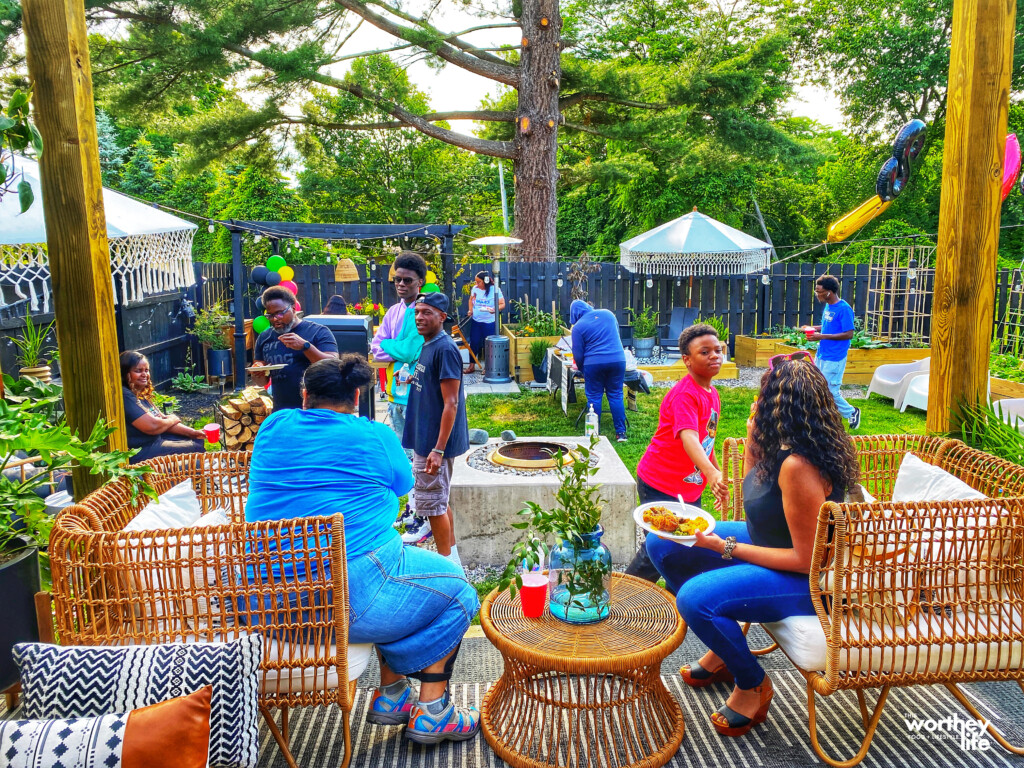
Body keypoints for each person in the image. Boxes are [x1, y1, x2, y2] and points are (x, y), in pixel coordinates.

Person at [245, 355, 481, 744]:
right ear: (357, 396)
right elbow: (405, 486)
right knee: (458, 592)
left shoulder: (273, 425)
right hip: (341, 598)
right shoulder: (376, 435)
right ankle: (434, 712)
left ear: (305, 395)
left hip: (262, 601)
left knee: (409, 582)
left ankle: (393, 695)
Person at [647, 354, 859, 738]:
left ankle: (753, 682)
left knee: (696, 600)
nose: (756, 403)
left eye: (764, 398)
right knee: (663, 545)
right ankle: (726, 651)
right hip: (771, 544)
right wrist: (752, 446)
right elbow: (756, 511)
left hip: (810, 579)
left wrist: (725, 548)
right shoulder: (780, 445)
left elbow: (804, 559)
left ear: (782, 408)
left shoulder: (800, 464)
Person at [625, 324, 729, 582]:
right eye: (704, 352)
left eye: (718, 350)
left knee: (688, 543)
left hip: (688, 488)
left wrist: (715, 475)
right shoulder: (685, 394)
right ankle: (625, 596)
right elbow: (689, 437)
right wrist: (710, 472)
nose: (714, 355)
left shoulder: (711, 392)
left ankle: (677, 603)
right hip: (660, 482)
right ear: (687, 360)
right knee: (657, 548)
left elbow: (706, 440)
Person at [403, 292, 470, 569]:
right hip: (427, 438)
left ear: (442, 317)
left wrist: (438, 449)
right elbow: (433, 383)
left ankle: (448, 570)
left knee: (432, 506)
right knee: (438, 502)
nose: (420, 317)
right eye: (417, 312)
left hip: (433, 443)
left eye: (427, 312)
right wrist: (412, 376)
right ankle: (452, 560)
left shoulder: (444, 348)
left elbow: (451, 402)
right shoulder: (428, 344)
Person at [372, 251, 428, 543]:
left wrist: (393, 346)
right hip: (395, 393)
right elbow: (376, 347)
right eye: (397, 280)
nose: (401, 285)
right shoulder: (393, 312)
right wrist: (395, 345)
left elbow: (410, 351)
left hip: (416, 393)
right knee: (406, 456)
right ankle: (412, 507)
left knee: (420, 455)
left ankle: (423, 515)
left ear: (421, 282)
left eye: (408, 280)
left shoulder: (422, 310)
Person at [251, 286, 338, 410]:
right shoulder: (264, 338)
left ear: (293, 308)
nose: (275, 319)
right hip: (283, 411)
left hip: (317, 410)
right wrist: (257, 373)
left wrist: (305, 346)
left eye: (280, 313)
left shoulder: (318, 331)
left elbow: (334, 366)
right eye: (270, 315)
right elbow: (262, 382)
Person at [120, 350, 205, 464]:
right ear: (126, 373)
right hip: (142, 451)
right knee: (196, 449)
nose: (144, 374)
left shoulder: (140, 393)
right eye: (138, 371)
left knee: (197, 440)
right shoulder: (125, 395)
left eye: (146, 370)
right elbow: (153, 426)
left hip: (157, 440)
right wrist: (172, 418)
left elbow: (163, 422)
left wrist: (193, 432)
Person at [569, 300, 628, 442]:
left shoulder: (578, 327)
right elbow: (616, 337)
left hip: (593, 363)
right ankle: (621, 433)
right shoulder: (609, 314)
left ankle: (594, 433)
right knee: (616, 394)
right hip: (617, 360)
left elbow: (578, 355)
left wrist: (583, 369)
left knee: (594, 396)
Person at [808, 274, 861, 430]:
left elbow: (848, 333)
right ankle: (822, 419)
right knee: (818, 387)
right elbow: (828, 326)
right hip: (823, 353)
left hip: (835, 357)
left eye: (819, 291)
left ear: (829, 292)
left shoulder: (844, 309)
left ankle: (851, 412)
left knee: (830, 391)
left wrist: (821, 336)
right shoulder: (828, 306)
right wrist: (812, 329)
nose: (817, 294)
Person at [466, 271, 505, 373]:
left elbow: (502, 304)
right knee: (474, 342)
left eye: (478, 282)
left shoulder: (495, 290)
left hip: (489, 322)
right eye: (476, 282)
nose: (476, 284)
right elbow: (471, 300)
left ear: (485, 281)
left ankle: (487, 367)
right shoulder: (475, 289)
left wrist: (494, 309)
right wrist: (470, 310)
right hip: (476, 321)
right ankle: (471, 366)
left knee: (488, 344)